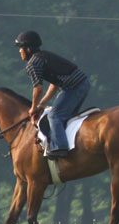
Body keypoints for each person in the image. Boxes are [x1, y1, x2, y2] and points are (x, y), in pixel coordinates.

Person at [14, 30, 91, 158]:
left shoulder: (33, 63)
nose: (19, 51)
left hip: (73, 87)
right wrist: (42, 104)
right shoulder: (42, 56)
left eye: (21, 47)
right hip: (83, 83)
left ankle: (59, 148)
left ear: (28, 49)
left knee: (54, 116)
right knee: (65, 117)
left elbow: (38, 88)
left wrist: (33, 108)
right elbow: (54, 83)